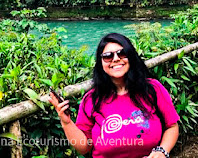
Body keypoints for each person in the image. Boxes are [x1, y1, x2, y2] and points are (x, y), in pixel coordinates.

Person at [49, 32, 180, 158]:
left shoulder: (153, 89)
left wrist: (162, 151)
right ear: (101, 63)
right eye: (107, 56)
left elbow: (172, 126)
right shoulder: (91, 99)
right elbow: (84, 147)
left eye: (122, 53)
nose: (116, 59)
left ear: (131, 56)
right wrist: (66, 122)